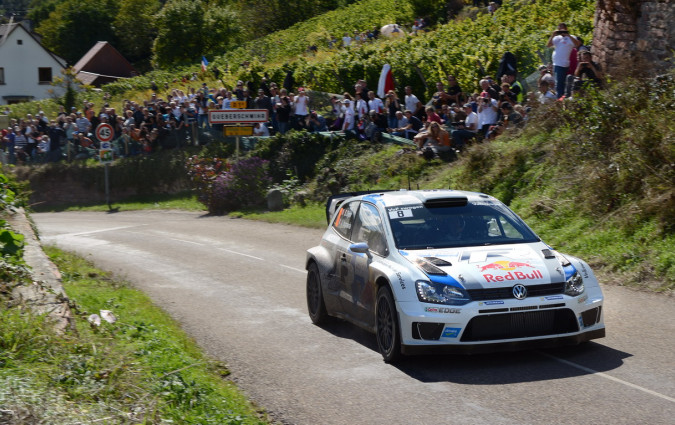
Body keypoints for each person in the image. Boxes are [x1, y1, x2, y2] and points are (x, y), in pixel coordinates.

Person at [547, 22, 582, 99]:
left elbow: (577, 44)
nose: (561, 31)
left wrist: (568, 35)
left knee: (561, 84)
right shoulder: (557, 38)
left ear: (566, 29)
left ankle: (561, 99)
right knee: (559, 84)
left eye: (562, 29)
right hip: (557, 63)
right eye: (559, 29)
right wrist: (553, 35)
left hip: (564, 64)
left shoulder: (571, 37)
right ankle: (562, 98)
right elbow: (548, 45)